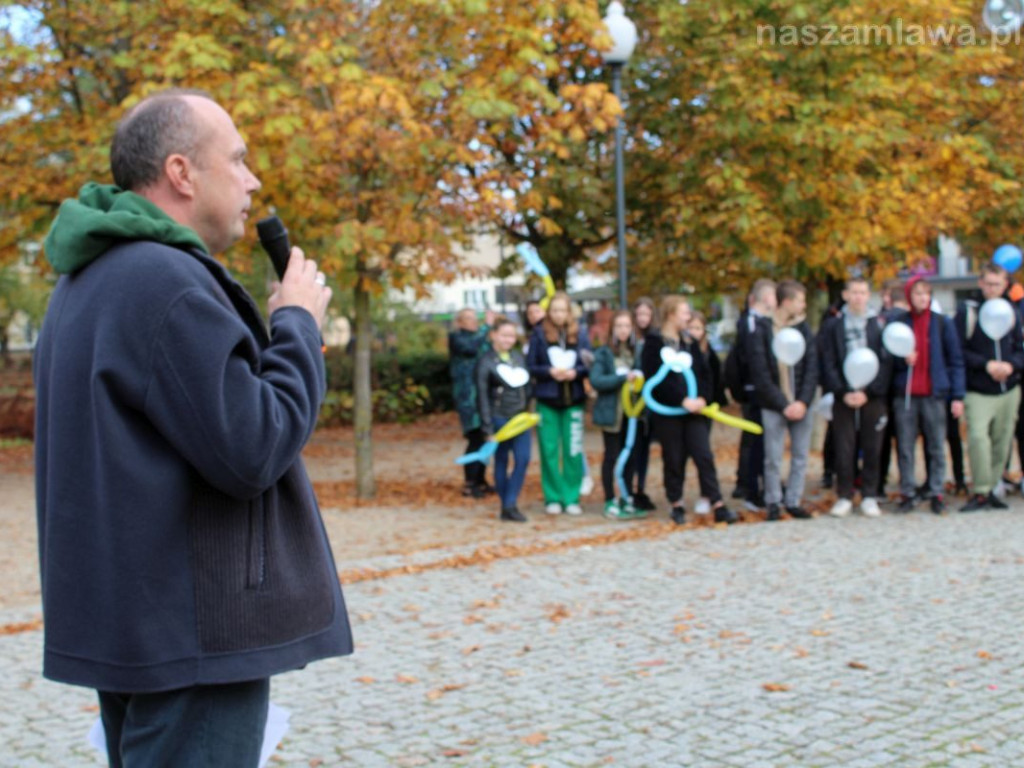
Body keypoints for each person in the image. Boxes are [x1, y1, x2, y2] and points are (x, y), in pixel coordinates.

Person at [34, 90, 352, 766]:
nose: (253, 180)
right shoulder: (165, 282)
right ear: (181, 173)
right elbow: (254, 446)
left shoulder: (91, 277)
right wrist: (297, 323)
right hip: (193, 637)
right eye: (236, 160)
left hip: (141, 626)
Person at [641, 295, 738, 525]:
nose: (687, 317)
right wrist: (681, 399)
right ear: (671, 314)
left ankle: (717, 503)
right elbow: (655, 379)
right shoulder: (654, 344)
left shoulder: (689, 343)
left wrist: (702, 397)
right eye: (684, 313)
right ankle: (676, 503)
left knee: (703, 454)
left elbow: (704, 374)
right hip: (668, 413)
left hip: (694, 412)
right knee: (673, 457)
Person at [889, 276, 965, 515]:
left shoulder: (942, 323)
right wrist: (902, 360)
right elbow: (888, 358)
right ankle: (908, 492)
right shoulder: (899, 323)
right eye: (918, 294)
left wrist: (957, 395)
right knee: (905, 446)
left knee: (935, 446)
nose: (923, 298)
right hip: (907, 394)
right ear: (910, 297)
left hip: (934, 394)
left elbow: (955, 360)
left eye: (926, 294)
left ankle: (936, 491)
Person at [819, 276, 893, 517]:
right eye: (854, 292)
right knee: (844, 446)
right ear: (846, 295)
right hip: (844, 395)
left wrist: (869, 392)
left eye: (863, 292)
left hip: (872, 396)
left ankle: (870, 494)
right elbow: (827, 361)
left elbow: (886, 362)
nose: (859, 297)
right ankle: (844, 494)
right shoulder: (833, 326)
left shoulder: (878, 325)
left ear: (868, 295)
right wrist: (842, 391)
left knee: (873, 446)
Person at [956, 263, 1024, 512]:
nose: (994, 289)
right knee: (977, 438)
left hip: (1009, 387)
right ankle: (981, 489)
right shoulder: (968, 312)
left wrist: (1011, 365)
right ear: (981, 283)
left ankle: (994, 486)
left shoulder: (1014, 311)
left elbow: (1020, 347)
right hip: (979, 389)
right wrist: (986, 365)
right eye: (989, 284)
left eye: (998, 284)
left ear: (1005, 285)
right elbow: (959, 351)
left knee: (1002, 440)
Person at [748, 280, 818, 521]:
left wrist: (803, 402)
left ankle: (794, 500)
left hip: (802, 403)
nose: (803, 305)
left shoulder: (804, 329)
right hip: (774, 405)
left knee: (800, 455)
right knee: (773, 457)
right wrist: (783, 404)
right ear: (787, 302)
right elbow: (760, 373)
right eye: (800, 300)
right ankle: (773, 501)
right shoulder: (763, 330)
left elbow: (811, 369)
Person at [526, 291, 589, 515]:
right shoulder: (539, 334)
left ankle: (571, 497)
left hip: (573, 400)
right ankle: (552, 496)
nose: (559, 314)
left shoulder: (580, 334)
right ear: (549, 312)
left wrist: (576, 372)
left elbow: (589, 363)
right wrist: (549, 372)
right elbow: (531, 366)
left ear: (569, 312)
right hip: (548, 400)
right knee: (549, 450)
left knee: (573, 450)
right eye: (555, 310)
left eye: (563, 310)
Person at [475, 317, 533, 522]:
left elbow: (526, 386)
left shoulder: (517, 357)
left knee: (523, 458)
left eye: (511, 335)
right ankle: (507, 506)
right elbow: (482, 396)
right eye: (504, 335)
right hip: (499, 418)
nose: (509, 339)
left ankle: (510, 501)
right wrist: (487, 428)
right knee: (501, 460)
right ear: (493, 335)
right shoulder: (485, 361)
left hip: (520, 419)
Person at [590, 310, 644, 519]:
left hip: (632, 415)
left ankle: (627, 497)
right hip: (612, 415)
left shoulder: (636, 352)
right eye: (619, 325)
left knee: (629, 457)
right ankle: (609, 499)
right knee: (611, 457)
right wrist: (621, 379)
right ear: (612, 328)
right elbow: (597, 380)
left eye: (627, 326)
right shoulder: (604, 353)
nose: (623, 330)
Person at [734, 279, 777, 511]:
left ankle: (756, 484)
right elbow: (752, 360)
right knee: (754, 441)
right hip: (755, 391)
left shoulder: (765, 322)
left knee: (761, 442)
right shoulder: (751, 323)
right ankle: (751, 488)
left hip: (762, 390)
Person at [449, 307, 494, 497]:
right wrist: (488, 326)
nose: (474, 321)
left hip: (484, 396)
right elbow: (471, 348)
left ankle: (481, 480)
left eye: (475, 318)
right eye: (468, 318)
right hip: (468, 398)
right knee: (474, 437)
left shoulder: (482, 339)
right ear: (459, 322)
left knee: (485, 438)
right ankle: (469, 483)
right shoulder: (457, 338)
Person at [686, 310, 727, 515]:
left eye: (698, 328)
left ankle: (707, 495)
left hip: (705, 410)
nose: (694, 332)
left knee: (704, 455)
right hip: (685, 410)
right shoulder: (684, 352)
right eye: (691, 327)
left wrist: (711, 402)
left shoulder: (709, 355)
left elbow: (715, 383)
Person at [629, 296, 658, 511]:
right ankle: (629, 489)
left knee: (644, 451)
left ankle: (641, 488)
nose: (642, 319)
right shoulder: (630, 340)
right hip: (631, 403)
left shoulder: (655, 340)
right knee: (632, 448)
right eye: (639, 314)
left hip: (648, 406)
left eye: (646, 314)